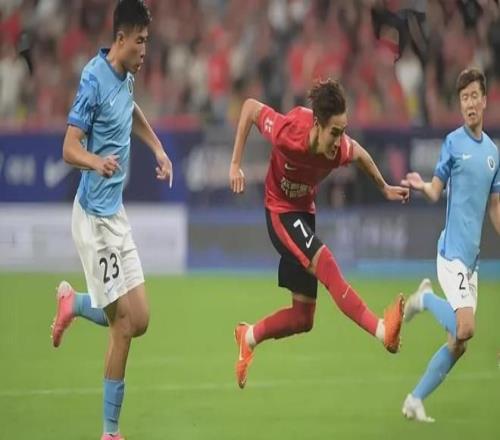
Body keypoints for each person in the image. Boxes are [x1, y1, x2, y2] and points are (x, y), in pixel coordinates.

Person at [229, 78, 410, 389]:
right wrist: (235, 165)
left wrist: (384, 188)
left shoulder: (338, 150)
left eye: (343, 131)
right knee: (326, 265)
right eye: (335, 132)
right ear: (317, 125)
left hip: (305, 214)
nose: (340, 141)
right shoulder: (288, 132)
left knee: (303, 318)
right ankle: (383, 331)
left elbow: (360, 154)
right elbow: (249, 108)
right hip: (280, 212)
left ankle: (248, 336)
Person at [50, 1, 173, 439]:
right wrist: (94, 161)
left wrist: (157, 147)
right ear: (121, 39)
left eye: (147, 41)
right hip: (93, 221)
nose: (145, 50)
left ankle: (73, 303)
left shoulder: (127, 75)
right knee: (122, 326)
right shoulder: (92, 78)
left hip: (114, 214)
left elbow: (131, 109)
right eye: (140, 41)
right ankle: (110, 432)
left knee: (140, 319)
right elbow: (69, 147)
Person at [401, 68, 500, 422]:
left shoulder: (493, 153)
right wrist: (422, 185)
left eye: (475, 96)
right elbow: (435, 190)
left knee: (458, 345)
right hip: (451, 254)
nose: (470, 103)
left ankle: (414, 399)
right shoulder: (453, 143)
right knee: (466, 328)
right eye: (464, 98)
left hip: (471, 262)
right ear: (460, 105)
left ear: (484, 101)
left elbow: (495, 206)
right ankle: (425, 299)